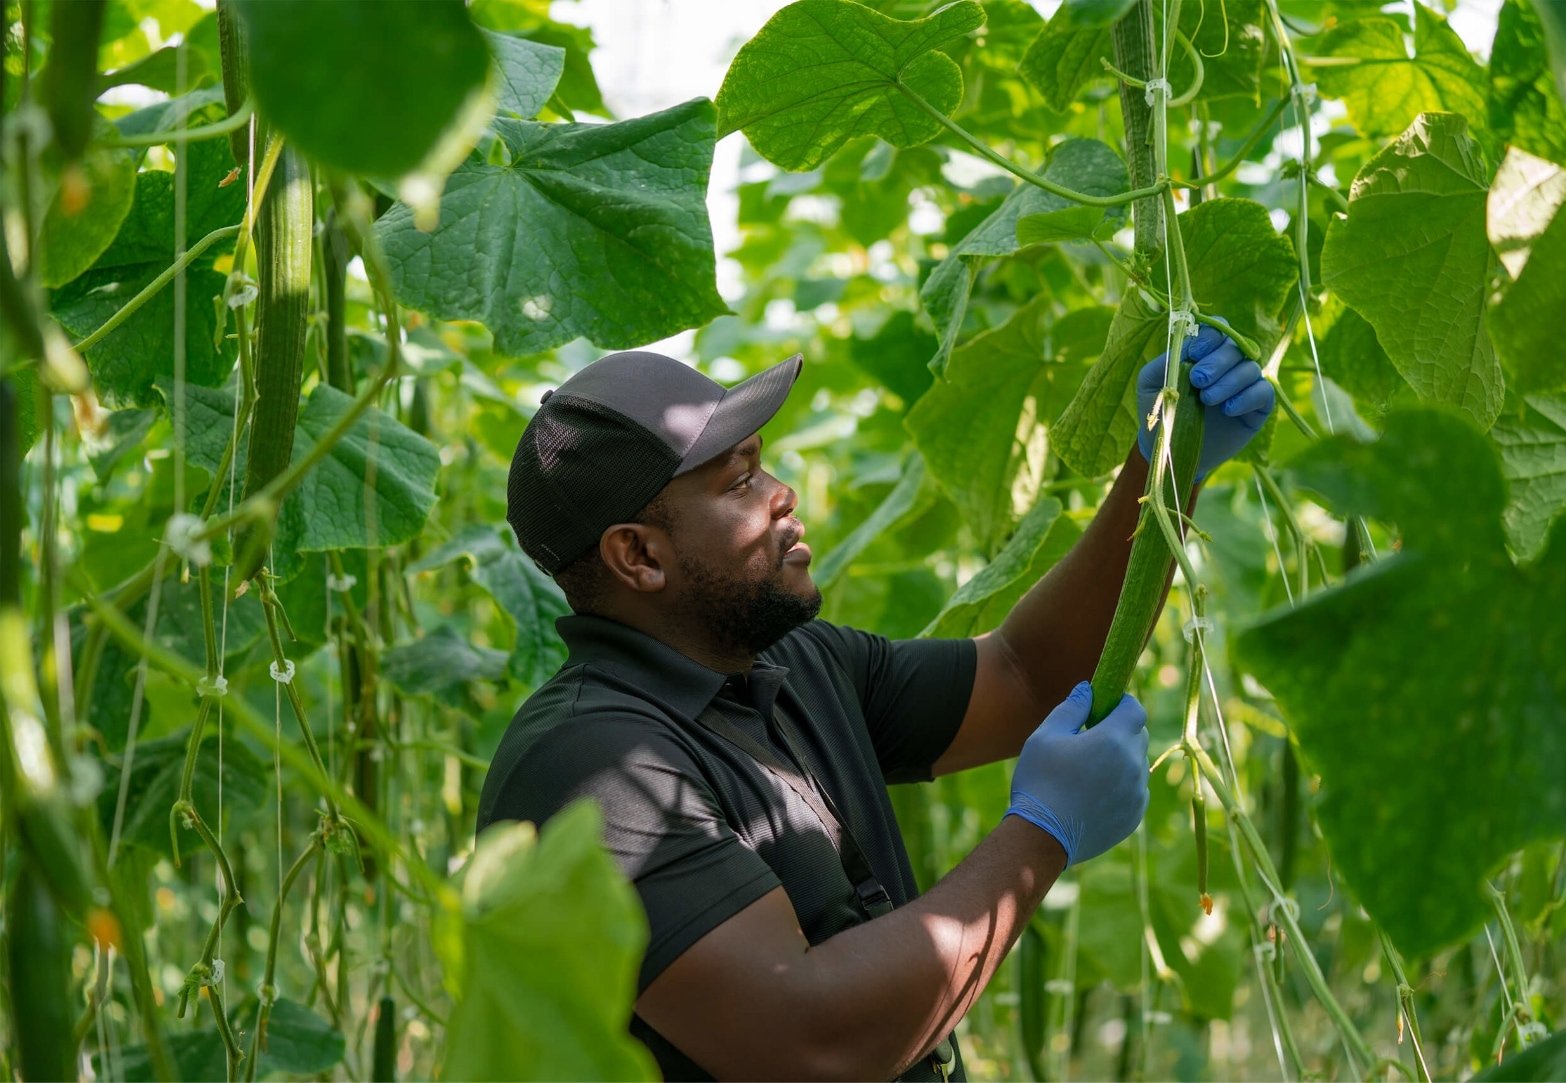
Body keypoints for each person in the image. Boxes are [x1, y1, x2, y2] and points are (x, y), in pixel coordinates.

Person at [477, 326, 1273, 1081]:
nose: (784, 494)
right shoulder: (590, 765)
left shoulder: (793, 662)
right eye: (741, 479)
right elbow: (808, 1041)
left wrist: (1166, 466)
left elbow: (1026, 675)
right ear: (639, 555)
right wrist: (1041, 833)